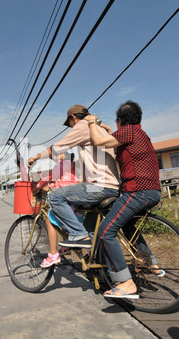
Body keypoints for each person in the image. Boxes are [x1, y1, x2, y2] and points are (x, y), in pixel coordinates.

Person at [83, 100, 162, 299]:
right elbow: (117, 142)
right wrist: (109, 129)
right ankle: (149, 262)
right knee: (128, 227)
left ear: (121, 121)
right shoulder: (141, 134)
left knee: (105, 231)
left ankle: (125, 282)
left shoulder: (127, 131)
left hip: (137, 191)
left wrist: (92, 122)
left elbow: (99, 142)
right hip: (152, 191)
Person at [27, 104, 120, 250]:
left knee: (55, 197)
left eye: (70, 124)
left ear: (73, 118)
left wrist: (36, 157)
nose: (71, 128)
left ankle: (78, 235)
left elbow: (57, 148)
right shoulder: (99, 128)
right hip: (111, 185)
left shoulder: (83, 126)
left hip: (99, 187)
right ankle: (96, 259)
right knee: (90, 223)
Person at [35, 152, 80, 268]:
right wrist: (53, 185)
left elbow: (49, 177)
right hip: (74, 199)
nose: (53, 156)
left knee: (49, 221)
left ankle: (53, 255)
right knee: (62, 220)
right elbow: (64, 181)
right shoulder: (70, 165)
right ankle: (66, 246)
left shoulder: (62, 164)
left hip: (66, 200)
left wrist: (39, 186)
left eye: (57, 154)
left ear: (64, 155)